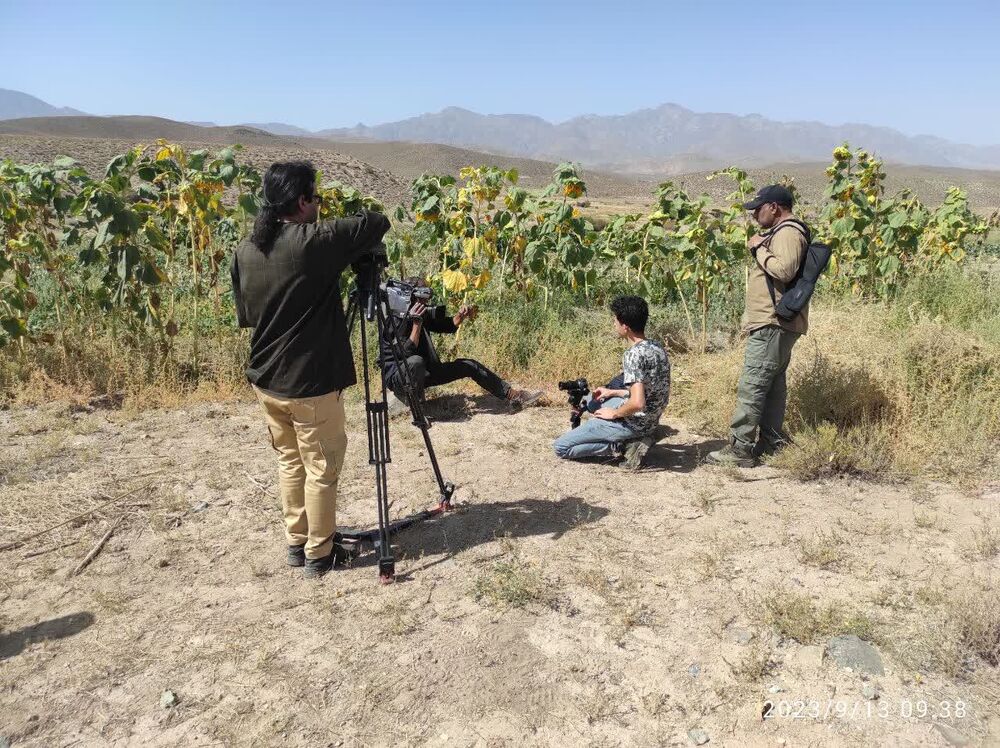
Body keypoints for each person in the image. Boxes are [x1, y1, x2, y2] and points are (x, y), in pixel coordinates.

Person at [231, 160, 390, 578]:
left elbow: (248, 314)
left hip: (267, 380)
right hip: (310, 384)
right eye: (315, 198)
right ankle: (321, 553)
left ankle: (297, 543)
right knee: (322, 468)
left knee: (290, 462)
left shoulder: (247, 249)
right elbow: (377, 221)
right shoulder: (313, 240)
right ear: (302, 201)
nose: (318, 206)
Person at [706, 184, 809, 468]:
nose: (754, 214)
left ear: (774, 207)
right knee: (773, 386)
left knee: (753, 385)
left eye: (758, 208)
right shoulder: (784, 232)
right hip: (776, 323)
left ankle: (740, 448)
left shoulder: (787, 233)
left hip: (772, 323)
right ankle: (771, 443)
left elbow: (785, 270)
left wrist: (758, 250)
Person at [379, 278, 542, 410]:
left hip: (424, 372)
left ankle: (513, 395)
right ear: (411, 297)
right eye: (422, 298)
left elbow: (446, 326)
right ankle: (418, 410)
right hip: (399, 376)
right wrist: (416, 324)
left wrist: (461, 316)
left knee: (468, 365)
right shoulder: (396, 320)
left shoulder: (419, 312)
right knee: (416, 362)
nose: (425, 302)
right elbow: (406, 354)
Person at [552, 295, 670, 468]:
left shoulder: (633, 355)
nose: (613, 324)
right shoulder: (656, 347)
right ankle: (636, 436)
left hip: (635, 423)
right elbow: (652, 391)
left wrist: (614, 413)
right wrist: (613, 392)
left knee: (561, 447)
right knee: (596, 403)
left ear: (625, 326)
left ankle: (624, 446)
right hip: (651, 418)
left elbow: (637, 402)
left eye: (615, 320)